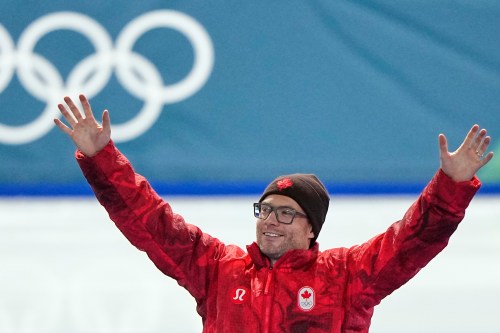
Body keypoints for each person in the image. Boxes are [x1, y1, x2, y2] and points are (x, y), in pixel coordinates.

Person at [55, 94, 493, 333]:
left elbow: (414, 240)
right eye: (265, 210)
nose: (270, 220)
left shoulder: (347, 275)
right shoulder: (218, 268)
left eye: (286, 214)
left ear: (311, 228)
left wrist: (450, 186)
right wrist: (101, 157)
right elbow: (148, 220)